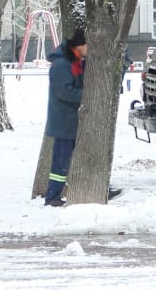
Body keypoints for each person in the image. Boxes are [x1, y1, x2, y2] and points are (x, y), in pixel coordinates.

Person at [42, 31, 86, 207]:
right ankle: (52, 195)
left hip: (70, 121)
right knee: (61, 161)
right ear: (80, 46)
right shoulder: (62, 65)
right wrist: (87, 96)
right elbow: (65, 92)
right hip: (64, 122)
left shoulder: (73, 61)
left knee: (69, 159)